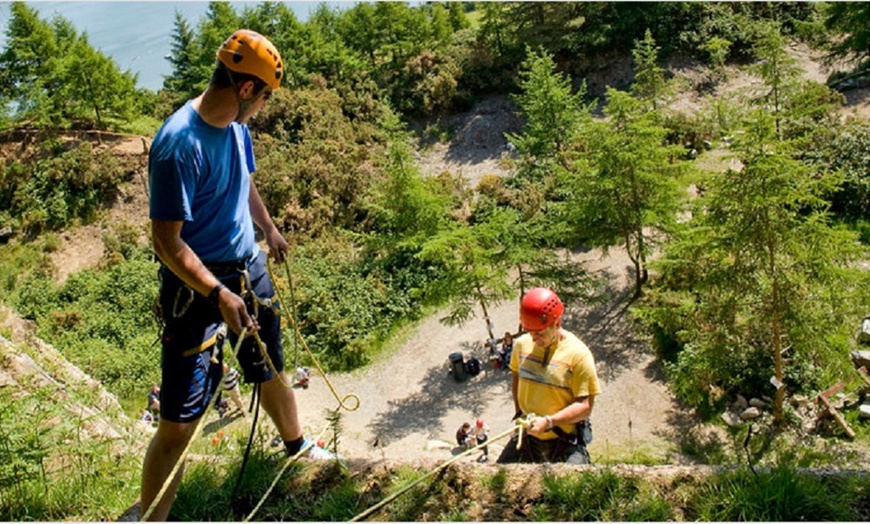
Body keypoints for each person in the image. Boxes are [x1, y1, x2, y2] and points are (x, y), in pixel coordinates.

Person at [142, 29, 334, 521]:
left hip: (248, 269)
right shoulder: (177, 146)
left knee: (269, 367)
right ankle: (151, 516)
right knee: (179, 421)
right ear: (247, 89)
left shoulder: (235, 127)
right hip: (196, 287)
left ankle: (296, 445)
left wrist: (269, 230)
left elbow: (244, 183)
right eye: (266, 95)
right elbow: (167, 243)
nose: (266, 106)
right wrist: (216, 293)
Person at [497, 287, 600, 465]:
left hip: (564, 439)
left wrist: (549, 422)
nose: (534, 338)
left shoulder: (578, 355)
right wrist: (519, 412)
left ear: (557, 324)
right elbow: (516, 379)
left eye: (540, 333)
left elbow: (585, 406)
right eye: (530, 332)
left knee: (573, 487)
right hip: (528, 435)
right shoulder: (522, 346)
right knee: (497, 481)